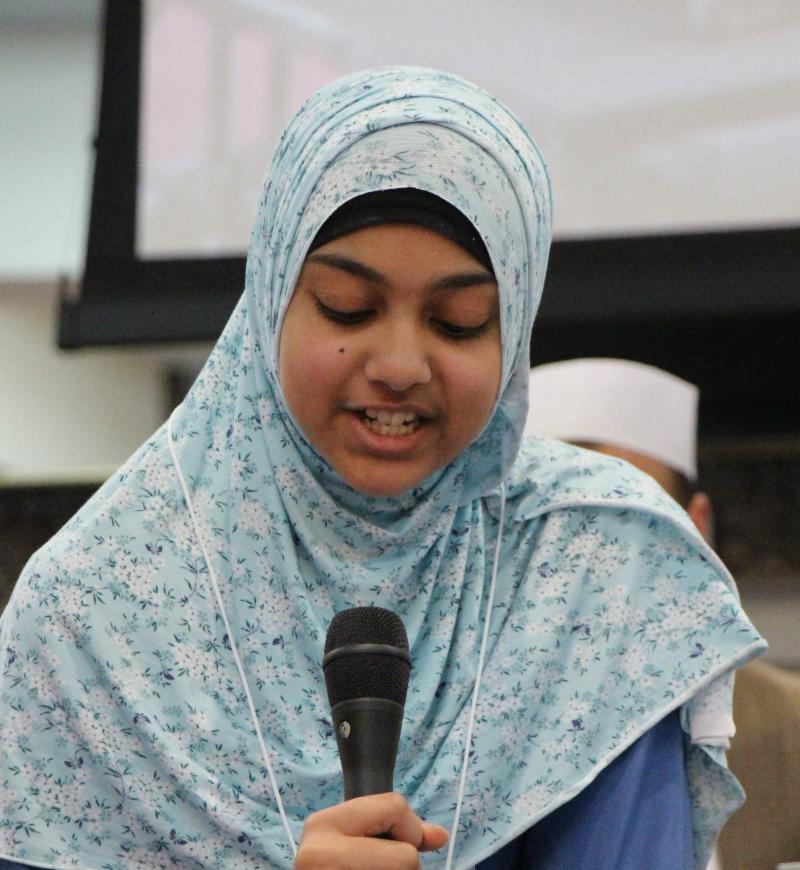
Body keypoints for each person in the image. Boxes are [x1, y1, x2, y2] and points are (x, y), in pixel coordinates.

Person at [0, 68, 765, 870]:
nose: (400, 365)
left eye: (459, 321)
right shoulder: (95, 608)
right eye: (348, 308)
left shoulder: (594, 566)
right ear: (270, 298)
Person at [526, 356, 800, 870]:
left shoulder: (791, 726)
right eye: (562, 528)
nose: (594, 561)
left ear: (697, 528)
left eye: (631, 520)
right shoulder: (456, 745)